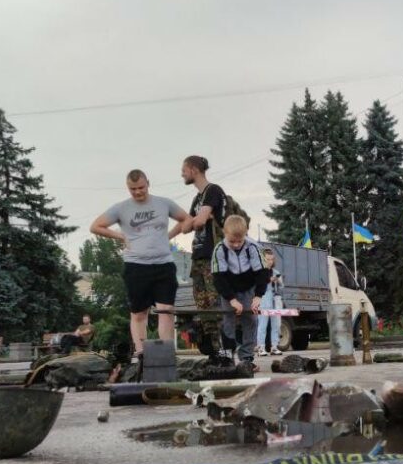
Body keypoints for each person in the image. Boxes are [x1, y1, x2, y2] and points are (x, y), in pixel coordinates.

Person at [90, 169, 191, 357]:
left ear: (148, 183)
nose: (137, 192)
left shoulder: (163, 203)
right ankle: (141, 353)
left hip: (163, 264)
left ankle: (166, 353)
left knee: (166, 310)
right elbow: (95, 226)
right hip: (136, 266)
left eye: (141, 187)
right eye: (133, 189)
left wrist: (170, 235)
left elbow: (185, 219)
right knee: (138, 313)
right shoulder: (121, 208)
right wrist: (120, 236)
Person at [181, 155, 231, 357]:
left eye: (184, 169)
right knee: (203, 307)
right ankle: (214, 352)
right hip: (198, 258)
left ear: (194, 170)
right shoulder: (197, 199)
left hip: (213, 257)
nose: (182, 174)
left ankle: (227, 350)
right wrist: (197, 218)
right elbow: (186, 226)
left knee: (216, 305)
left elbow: (199, 222)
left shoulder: (213, 191)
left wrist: (199, 218)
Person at [212, 215, 270, 369]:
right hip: (229, 287)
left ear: (246, 234)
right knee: (227, 322)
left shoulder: (253, 247)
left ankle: (247, 359)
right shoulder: (219, 250)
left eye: (240, 241)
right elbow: (218, 278)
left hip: (248, 288)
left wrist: (258, 296)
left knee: (250, 320)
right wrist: (231, 299)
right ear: (225, 233)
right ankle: (226, 359)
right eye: (232, 241)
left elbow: (263, 273)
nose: (237, 244)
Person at [256, 248, 285, 356]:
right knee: (262, 324)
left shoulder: (276, 272)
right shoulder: (259, 272)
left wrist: (279, 281)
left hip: (275, 300)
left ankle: (274, 347)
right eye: (267, 259)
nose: (270, 261)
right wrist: (269, 280)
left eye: (272, 259)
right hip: (263, 301)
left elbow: (282, 287)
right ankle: (261, 347)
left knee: (276, 325)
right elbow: (257, 284)